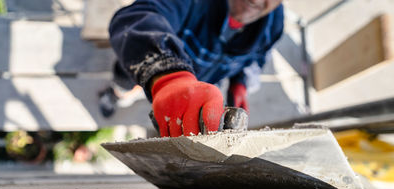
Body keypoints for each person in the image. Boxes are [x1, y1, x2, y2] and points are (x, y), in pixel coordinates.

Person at [108, 0, 284, 137]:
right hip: (147, 65)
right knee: (123, 87)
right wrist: (167, 74)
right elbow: (136, 18)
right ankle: (114, 96)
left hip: (198, 86)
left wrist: (240, 83)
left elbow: (257, 57)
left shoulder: (274, 24)